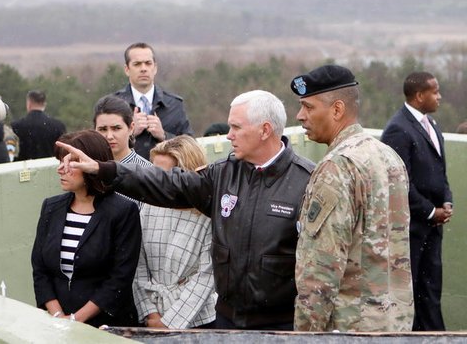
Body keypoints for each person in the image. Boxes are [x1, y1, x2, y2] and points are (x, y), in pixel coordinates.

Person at [56, 90, 315, 330]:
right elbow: (168, 184)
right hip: (228, 320)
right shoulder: (224, 173)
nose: (229, 135)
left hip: (280, 325)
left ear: (265, 130)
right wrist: (104, 169)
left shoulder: (307, 181)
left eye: (236, 127)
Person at [290, 64, 413, 332]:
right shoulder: (388, 157)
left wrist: (304, 335)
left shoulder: (337, 166)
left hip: (349, 328)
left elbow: (320, 269)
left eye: (309, 107)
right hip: (393, 324)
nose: (300, 116)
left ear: (336, 110)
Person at [31, 130, 141, 328]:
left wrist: (76, 319)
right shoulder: (51, 207)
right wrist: (58, 315)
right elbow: (40, 269)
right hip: (57, 325)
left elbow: (119, 278)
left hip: (105, 326)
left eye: (70, 163)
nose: (61, 169)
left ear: (92, 165)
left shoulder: (123, 211)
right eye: (60, 162)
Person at [381, 71, 453, 331]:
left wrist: (446, 202)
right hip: (411, 231)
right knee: (411, 295)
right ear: (420, 95)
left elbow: (440, 171)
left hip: (433, 228)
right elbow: (399, 182)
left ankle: (435, 336)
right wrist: (429, 212)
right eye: (435, 92)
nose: (439, 97)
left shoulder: (431, 125)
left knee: (431, 291)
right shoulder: (398, 129)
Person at [133, 135, 216, 329]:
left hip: (197, 321)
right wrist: (149, 312)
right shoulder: (148, 205)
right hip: (152, 316)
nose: (157, 182)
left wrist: (169, 323)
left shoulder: (208, 214)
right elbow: (138, 265)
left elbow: (206, 276)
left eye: (164, 176)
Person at [111, 42, 193, 159]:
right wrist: (129, 133)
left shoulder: (174, 104)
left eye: (148, 63)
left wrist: (164, 136)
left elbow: (192, 147)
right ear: (127, 69)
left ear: (155, 68)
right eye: (137, 64)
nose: (143, 69)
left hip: (166, 175)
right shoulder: (112, 106)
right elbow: (101, 148)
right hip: (126, 175)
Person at [93, 95, 152, 209]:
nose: (109, 136)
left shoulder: (146, 171)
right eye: (103, 129)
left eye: (116, 128)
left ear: (131, 128)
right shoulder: (89, 169)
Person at [12, 90, 66, 161]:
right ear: (44, 104)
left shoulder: (16, 126)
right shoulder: (58, 126)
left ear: (29, 103)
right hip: (50, 168)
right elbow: (63, 151)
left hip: (25, 169)